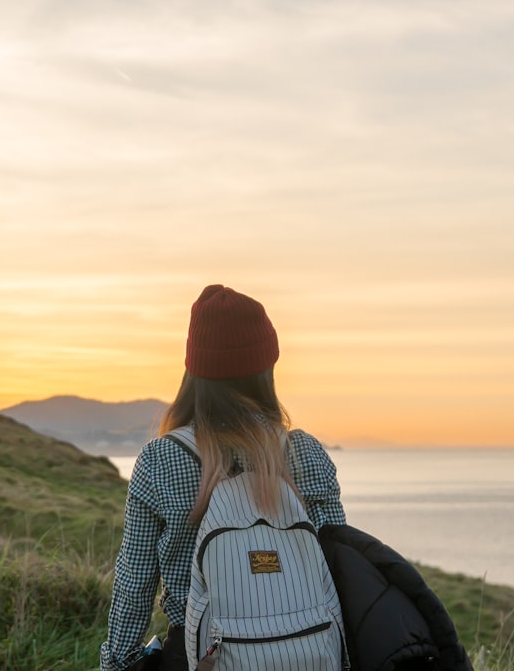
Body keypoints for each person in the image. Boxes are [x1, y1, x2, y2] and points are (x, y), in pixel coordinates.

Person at [99, 284, 347, 671]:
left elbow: (135, 585)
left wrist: (118, 664)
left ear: (194, 370)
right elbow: (342, 570)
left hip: (200, 658)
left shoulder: (161, 460)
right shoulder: (306, 454)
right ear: (266, 368)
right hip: (309, 653)